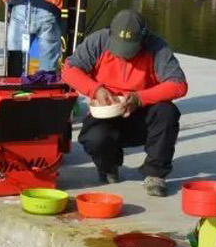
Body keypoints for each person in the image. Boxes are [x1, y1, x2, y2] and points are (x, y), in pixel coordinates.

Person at [62, 10, 189, 196]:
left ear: (144, 39)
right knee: (94, 137)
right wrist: (96, 90)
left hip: (143, 113)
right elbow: (69, 70)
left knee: (167, 112)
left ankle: (156, 173)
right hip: (107, 112)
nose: (124, 55)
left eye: (130, 48)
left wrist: (139, 98)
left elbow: (178, 84)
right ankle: (108, 165)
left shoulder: (157, 47)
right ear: (110, 34)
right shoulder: (98, 40)